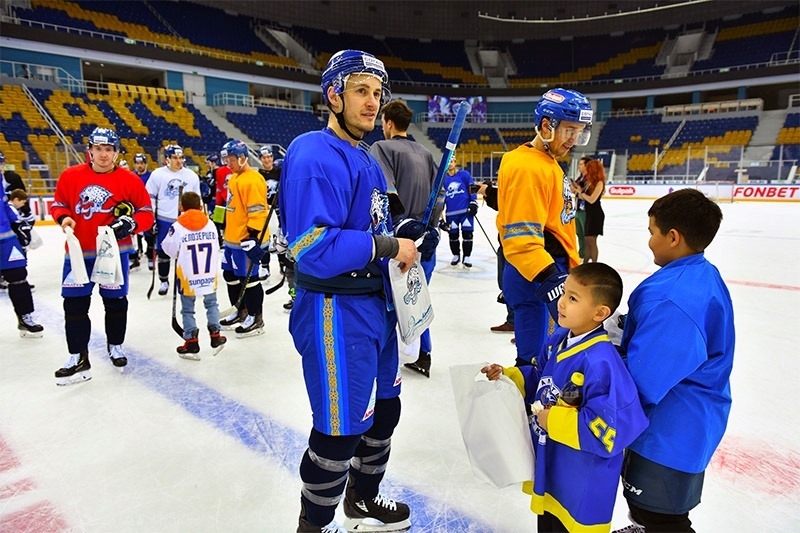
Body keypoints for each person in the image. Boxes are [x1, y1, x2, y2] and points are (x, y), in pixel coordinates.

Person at [279, 49, 418, 533]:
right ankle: (314, 525)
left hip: (376, 307)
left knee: (385, 412)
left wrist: (405, 233)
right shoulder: (313, 152)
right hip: (335, 310)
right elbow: (311, 245)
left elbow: (375, 224)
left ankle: (363, 498)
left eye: (377, 93)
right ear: (333, 95)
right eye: (361, 90)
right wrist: (388, 244)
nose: (372, 102)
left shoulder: (366, 156)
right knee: (338, 431)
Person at [482, 262, 648, 533]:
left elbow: (610, 431)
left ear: (600, 313)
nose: (561, 302)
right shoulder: (557, 339)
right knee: (548, 522)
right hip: (554, 464)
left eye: (573, 298)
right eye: (564, 293)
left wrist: (553, 420)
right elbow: (540, 377)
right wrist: (510, 376)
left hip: (582, 480)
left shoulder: (602, 364)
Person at [615, 188, 734, 533]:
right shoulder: (697, 273)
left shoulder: (674, 300)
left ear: (673, 237)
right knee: (651, 510)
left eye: (652, 232)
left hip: (670, 431)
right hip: (686, 421)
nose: (649, 241)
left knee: (662, 516)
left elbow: (645, 379)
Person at [496, 88, 592, 368]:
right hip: (538, 273)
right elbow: (523, 238)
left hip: (538, 270)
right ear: (547, 125)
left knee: (542, 358)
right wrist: (554, 280)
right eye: (569, 130)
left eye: (580, 132)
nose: (574, 139)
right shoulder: (530, 167)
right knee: (540, 362)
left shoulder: (538, 161)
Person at [50, 127, 154, 385]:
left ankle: (115, 345)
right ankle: (78, 356)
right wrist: (64, 218)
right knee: (74, 305)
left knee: (115, 302)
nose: (103, 154)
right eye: (98, 149)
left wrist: (131, 224)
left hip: (113, 254)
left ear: (116, 152)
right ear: (90, 151)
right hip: (78, 253)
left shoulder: (130, 179)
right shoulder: (71, 176)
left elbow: (146, 213)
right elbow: (59, 204)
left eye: (109, 149)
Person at [370, 98, 441, 378]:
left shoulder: (381, 148)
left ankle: (394, 357)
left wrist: (402, 226)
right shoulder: (425, 152)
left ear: (388, 123)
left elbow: (385, 195)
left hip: (399, 243)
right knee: (417, 296)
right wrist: (428, 229)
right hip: (426, 240)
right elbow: (439, 198)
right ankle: (423, 353)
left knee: (393, 301)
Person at [161, 191, 226, 359]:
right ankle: (215, 335)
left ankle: (191, 340)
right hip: (208, 272)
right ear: (200, 207)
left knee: (187, 309)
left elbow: (168, 248)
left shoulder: (178, 226)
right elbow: (217, 245)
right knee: (212, 303)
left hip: (187, 274)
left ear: (181, 207)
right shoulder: (210, 224)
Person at [218, 139, 269, 337]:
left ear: (241, 158)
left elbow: (258, 211)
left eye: (230, 159)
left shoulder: (253, 180)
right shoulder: (234, 178)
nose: (227, 163)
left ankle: (256, 318)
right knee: (230, 276)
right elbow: (231, 206)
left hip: (246, 239)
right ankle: (240, 310)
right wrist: (220, 220)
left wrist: (253, 236)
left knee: (249, 279)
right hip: (232, 238)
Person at [145, 144, 201, 296]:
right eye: (175, 158)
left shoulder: (191, 176)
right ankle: (164, 280)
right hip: (164, 219)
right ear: (167, 159)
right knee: (163, 252)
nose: (179, 161)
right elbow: (149, 197)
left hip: (185, 220)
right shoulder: (158, 175)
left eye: (181, 157)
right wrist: (152, 218)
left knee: (185, 252)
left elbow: (198, 199)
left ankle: (184, 279)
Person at [0, 184, 42, 337]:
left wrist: (17, 223)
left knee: (18, 276)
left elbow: (4, 203)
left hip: (6, 236)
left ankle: (25, 317)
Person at [478, 180, 515, 338]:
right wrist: (489, 192)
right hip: (506, 243)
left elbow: (508, 202)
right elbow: (503, 203)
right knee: (505, 283)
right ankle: (514, 321)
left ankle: (520, 324)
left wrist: (489, 192)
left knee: (513, 285)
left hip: (515, 245)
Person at [441, 156, 478, 267]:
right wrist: (440, 217)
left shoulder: (464, 175)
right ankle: (456, 255)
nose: (450, 164)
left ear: (455, 162)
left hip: (466, 211)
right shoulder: (443, 179)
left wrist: (473, 202)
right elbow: (440, 198)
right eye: (448, 162)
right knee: (453, 235)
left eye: (452, 161)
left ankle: (467, 257)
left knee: (468, 234)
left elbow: (472, 187)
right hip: (451, 213)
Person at [572, 158, 605, 263]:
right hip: (589, 213)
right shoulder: (588, 182)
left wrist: (580, 192)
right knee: (586, 240)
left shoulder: (599, 183)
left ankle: (594, 264)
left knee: (591, 241)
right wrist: (578, 191)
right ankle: (586, 263)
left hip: (595, 214)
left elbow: (591, 199)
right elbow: (582, 195)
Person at [257, 144, 280, 282]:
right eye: (264, 157)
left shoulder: (280, 172)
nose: (267, 160)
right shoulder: (258, 175)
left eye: (269, 157)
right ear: (260, 159)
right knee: (264, 240)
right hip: (264, 210)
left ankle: (283, 264)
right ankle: (265, 266)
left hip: (279, 209)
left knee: (280, 238)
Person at [132, 153, 152, 266]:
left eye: (141, 163)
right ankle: (137, 253)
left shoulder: (152, 176)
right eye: (137, 163)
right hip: (135, 208)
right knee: (135, 232)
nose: (139, 165)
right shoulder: (131, 176)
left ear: (146, 164)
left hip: (147, 208)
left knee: (149, 234)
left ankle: (150, 253)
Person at [571, 156, 591, 260]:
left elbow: (585, 193)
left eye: (581, 164)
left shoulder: (590, 179)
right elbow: (576, 191)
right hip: (578, 209)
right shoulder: (580, 178)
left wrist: (578, 191)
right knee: (579, 233)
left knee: (586, 234)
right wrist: (573, 188)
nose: (579, 166)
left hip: (585, 210)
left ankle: (587, 255)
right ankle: (582, 254)